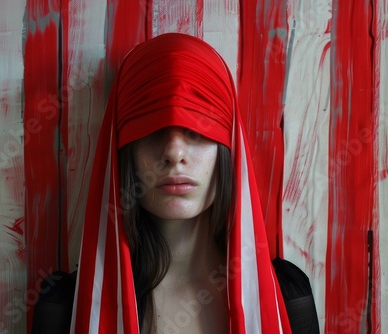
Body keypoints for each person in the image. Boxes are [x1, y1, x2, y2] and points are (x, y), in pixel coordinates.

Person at [71, 33, 291, 334]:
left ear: (228, 150)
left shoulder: (290, 297)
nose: (174, 153)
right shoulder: (69, 304)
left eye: (197, 130)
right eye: (152, 129)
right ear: (123, 151)